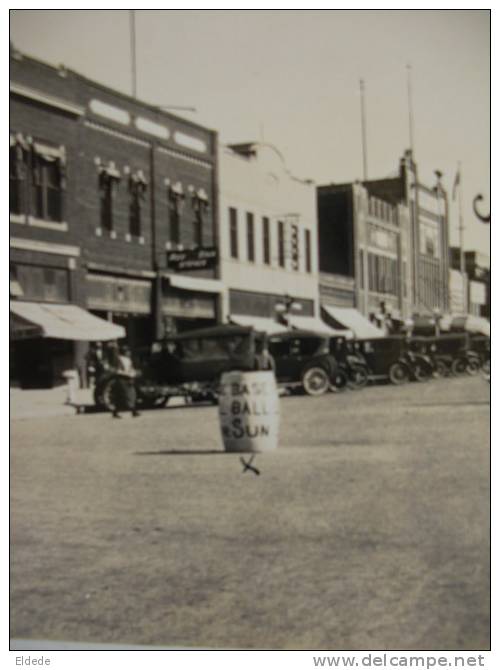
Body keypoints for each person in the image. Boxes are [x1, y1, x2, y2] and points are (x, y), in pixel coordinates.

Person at [110, 345, 140, 418]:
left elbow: (131, 368)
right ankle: (131, 411)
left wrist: (133, 374)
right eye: (127, 351)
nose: (128, 352)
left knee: (132, 394)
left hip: (128, 378)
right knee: (125, 396)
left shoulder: (128, 359)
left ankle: (132, 411)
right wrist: (128, 374)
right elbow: (118, 370)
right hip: (122, 378)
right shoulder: (119, 359)